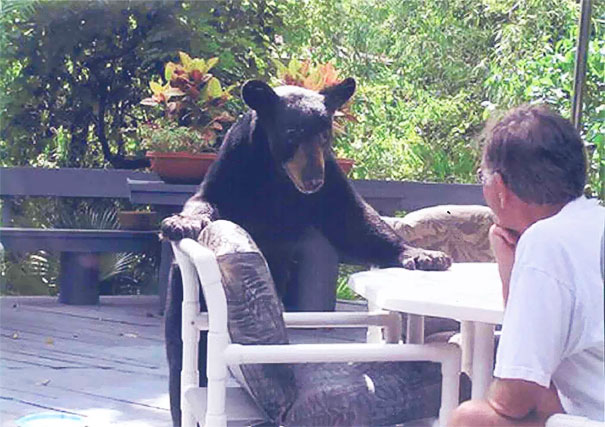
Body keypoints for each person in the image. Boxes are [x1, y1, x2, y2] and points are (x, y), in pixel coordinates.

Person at [449, 104, 605, 426]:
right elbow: (533, 371)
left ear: (500, 189)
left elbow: (512, 399)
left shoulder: (548, 242)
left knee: (471, 418)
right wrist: (512, 275)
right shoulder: (591, 224)